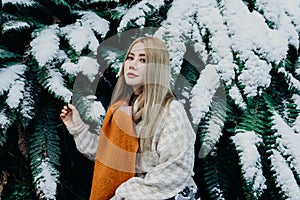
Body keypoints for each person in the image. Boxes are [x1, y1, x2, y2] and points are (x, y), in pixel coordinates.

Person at [60, 36, 200, 200]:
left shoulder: (170, 110)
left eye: (143, 60)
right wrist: (78, 128)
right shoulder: (124, 109)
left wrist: (125, 193)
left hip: (167, 195)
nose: (132, 64)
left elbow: (177, 168)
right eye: (130, 58)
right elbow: (110, 156)